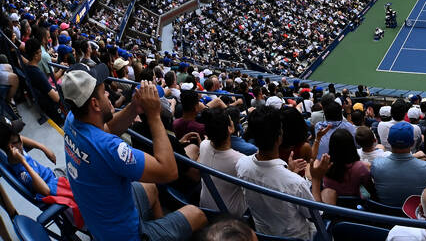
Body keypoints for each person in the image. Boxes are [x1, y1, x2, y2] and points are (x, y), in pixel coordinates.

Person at [60, 68, 206, 241]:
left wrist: (134, 108)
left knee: (150, 186)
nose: (108, 93)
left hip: (100, 219)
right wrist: (154, 115)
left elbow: (108, 129)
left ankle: (160, 231)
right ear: (95, 104)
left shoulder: (72, 119)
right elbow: (169, 171)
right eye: (103, 91)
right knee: (197, 214)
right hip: (124, 234)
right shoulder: (110, 148)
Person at [235, 105, 330, 239]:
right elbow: (317, 215)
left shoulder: (241, 164)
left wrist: (289, 172)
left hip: (262, 233)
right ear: (280, 136)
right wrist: (316, 179)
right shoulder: (296, 183)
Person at [371, 121, 426, 206]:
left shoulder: (377, 165)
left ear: (388, 141)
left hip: (384, 215)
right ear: (412, 143)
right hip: (415, 216)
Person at [196, 108, 247, 217]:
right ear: (230, 128)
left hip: (204, 206)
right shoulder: (240, 160)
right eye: (230, 121)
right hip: (229, 215)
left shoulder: (204, 144)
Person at [321, 128, 375, 202]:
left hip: (335, 204)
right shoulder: (359, 167)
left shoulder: (325, 164)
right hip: (355, 204)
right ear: (351, 145)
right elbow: (369, 188)